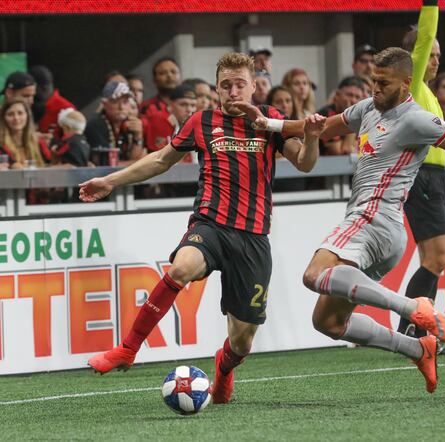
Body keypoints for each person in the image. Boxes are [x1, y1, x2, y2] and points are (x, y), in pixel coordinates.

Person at [236, 46, 445, 394]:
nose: (375, 88)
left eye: (383, 82)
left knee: (314, 274)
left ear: (406, 82)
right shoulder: (368, 107)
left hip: (372, 218)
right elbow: (322, 127)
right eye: (373, 81)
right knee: (328, 322)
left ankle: (413, 307)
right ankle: (417, 348)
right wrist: (268, 123)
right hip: (387, 235)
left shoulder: (415, 118)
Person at [81, 52, 325, 405]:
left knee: (242, 342)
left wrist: (313, 137)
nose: (233, 91)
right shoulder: (202, 121)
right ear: (217, 88)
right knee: (180, 267)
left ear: (254, 86)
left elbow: (304, 162)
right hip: (210, 224)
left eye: (240, 84)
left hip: (253, 237)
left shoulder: (271, 120)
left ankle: (224, 370)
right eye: (226, 85)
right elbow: (162, 159)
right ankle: (127, 349)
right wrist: (111, 181)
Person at [396, 0, 445, 355]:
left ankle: (419, 335)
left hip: (432, 178)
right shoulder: (413, 82)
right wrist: (431, 5)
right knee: (436, 259)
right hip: (423, 178)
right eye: (430, 54)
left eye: (438, 55)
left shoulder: (428, 94)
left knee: (434, 260)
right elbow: (425, 35)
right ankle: (411, 332)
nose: (436, 59)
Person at [84, 81, 144, 165]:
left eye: (125, 102)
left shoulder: (129, 123)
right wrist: (138, 163)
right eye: (115, 102)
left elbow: (134, 158)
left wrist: (138, 136)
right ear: (104, 104)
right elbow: (107, 165)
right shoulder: (96, 124)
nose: (121, 107)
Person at [316, 76, 364, 155]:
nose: (353, 100)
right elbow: (340, 152)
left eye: (357, 97)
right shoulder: (326, 115)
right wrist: (352, 118)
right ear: (337, 95)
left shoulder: (362, 118)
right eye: (349, 95)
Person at [144, 84, 197, 152]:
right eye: (183, 104)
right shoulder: (159, 119)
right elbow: (160, 157)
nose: (189, 110)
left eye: (193, 105)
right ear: (170, 104)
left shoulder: (193, 122)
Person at [0, 97, 50, 168]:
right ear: (3, 118)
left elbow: (50, 165)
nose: (16, 118)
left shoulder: (39, 143)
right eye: (10, 114)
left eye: (20, 113)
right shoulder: (1, 145)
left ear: (27, 116)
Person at [29, 65, 76, 134]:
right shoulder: (30, 104)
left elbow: (72, 140)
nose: (31, 93)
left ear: (43, 88)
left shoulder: (66, 109)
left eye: (32, 89)